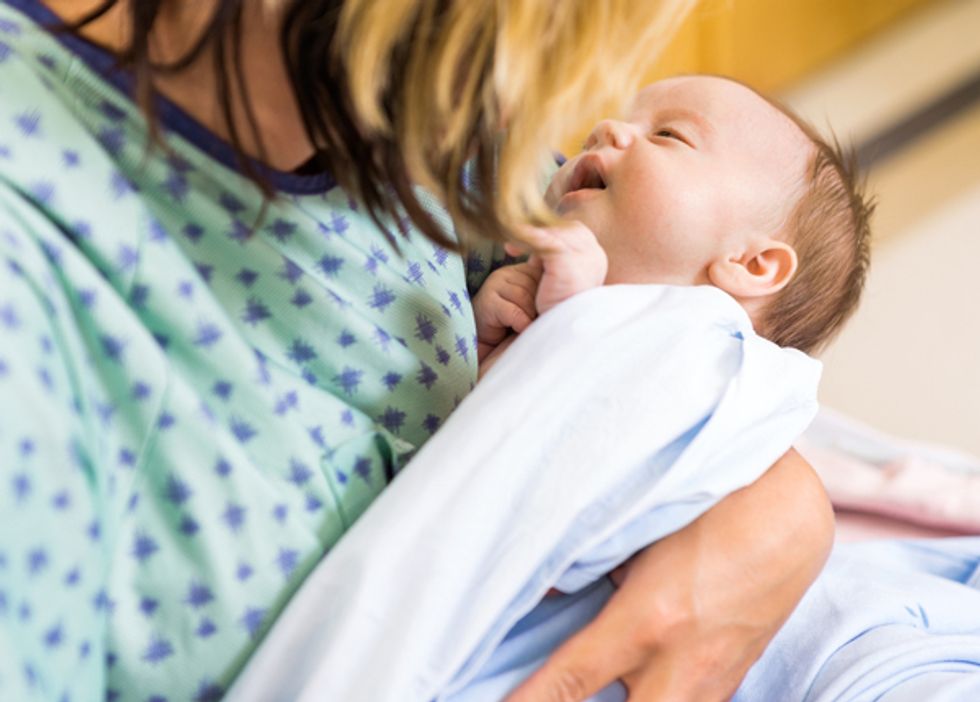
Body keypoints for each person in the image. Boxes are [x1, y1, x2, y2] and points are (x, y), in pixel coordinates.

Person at [0, 2, 833, 701]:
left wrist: (784, 514)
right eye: (533, 34)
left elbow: (685, 336)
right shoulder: (37, 292)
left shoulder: (422, 126)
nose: (529, 111)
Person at [474, 74, 872, 372]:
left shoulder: (709, 372)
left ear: (750, 263)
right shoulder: (525, 295)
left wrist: (574, 318)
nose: (603, 130)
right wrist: (483, 345)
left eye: (668, 134)